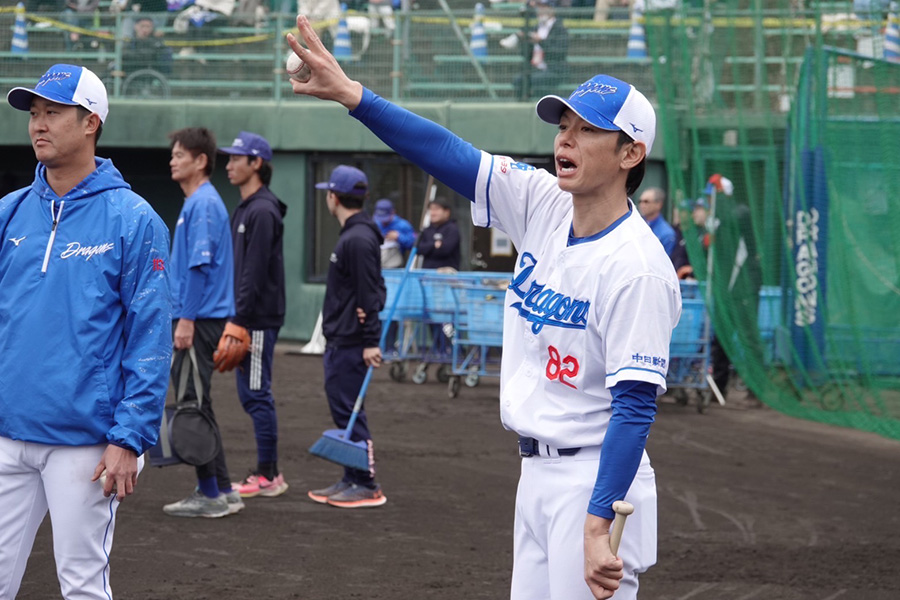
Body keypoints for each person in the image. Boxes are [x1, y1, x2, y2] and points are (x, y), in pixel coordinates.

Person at [287, 16, 681, 599]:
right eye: (563, 124)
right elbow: (448, 152)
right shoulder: (544, 203)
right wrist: (353, 96)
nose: (565, 139)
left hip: (595, 478)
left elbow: (634, 407)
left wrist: (598, 524)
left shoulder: (637, 266)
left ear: (632, 152)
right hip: (536, 474)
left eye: (588, 130)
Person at [0, 63, 171, 598]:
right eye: (34, 113)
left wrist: (129, 437)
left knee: (82, 585)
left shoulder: (134, 218)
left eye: (53, 112)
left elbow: (151, 336)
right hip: (7, 433)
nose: (38, 124)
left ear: (91, 121)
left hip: (86, 442)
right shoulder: (8, 213)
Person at [161, 127, 244, 519]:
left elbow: (198, 268)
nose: (173, 160)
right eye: (173, 154)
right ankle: (224, 490)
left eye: (180, 154)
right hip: (203, 317)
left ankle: (209, 494)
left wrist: (186, 320)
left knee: (192, 406)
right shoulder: (199, 202)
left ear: (201, 161)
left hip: (200, 318)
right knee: (201, 404)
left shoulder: (203, 203)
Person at [307, 165, 389, 509]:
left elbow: (370, 292)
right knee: (343, 410)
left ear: (334, 197)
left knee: (351, 411)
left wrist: (371, 339)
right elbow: (374, 290)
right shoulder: (355, 235)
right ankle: (351, 476)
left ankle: (367, 483)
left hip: (352, 342)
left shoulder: (357, 239)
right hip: (343, 338)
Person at [217, 131, 290, 499]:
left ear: (256, 163)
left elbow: (255, 272)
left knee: (257, 395)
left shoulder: (261, 209)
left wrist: (240, 319)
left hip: (256, 319)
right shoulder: (248, 207)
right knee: (251, 395)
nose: (229, 164)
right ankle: (267, 472)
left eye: (236, 158)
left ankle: (269, 475)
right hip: (249, 316)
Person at [511, 0, 569, 101]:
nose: (541, 10)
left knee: (530, 81)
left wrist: (541, 41)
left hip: (553, 70)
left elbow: (560, 52)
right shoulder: (536, 27)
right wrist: (524, 40)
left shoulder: (560, 28)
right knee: (518, 80)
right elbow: (526, 54)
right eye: (539, 7)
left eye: (544, 7)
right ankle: (524, 104)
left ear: (552, 9)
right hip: (535, 69)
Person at [416, 195, 460, 270]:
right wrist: (434, 244)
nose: (433, 213)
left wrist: (428, 248)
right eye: (431, 209)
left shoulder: (452, 229)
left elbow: (445, 250)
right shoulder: (426, 230)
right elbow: (418, 248)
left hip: (446, 275)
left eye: (436, 209)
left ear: (447, 212)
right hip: (426, 274)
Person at [372, 197, 416, 268]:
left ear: (393, 212)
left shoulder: (403, 225)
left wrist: (399, 237)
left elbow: (415, 245)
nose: (383, 221)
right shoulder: (374, 224)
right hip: (375, 264)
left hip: (395, 266)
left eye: (385, 218)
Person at [638, 186, 676, 256]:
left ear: (658, 204)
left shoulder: (666, 233)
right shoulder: (636, 225)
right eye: (640, 201)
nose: (642, 205)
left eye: (646, 202)